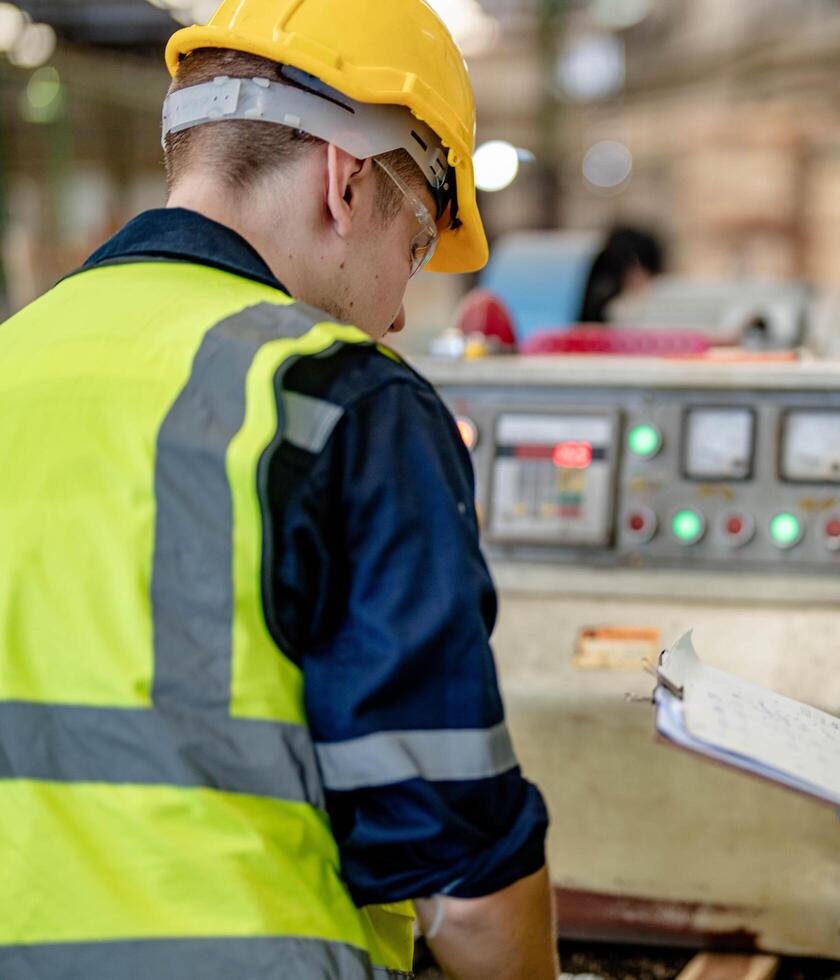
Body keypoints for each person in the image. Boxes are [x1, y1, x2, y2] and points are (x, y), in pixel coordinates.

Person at [0, 3, 556, 979]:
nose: (394, 309)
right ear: (346, 181)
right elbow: (460, 869)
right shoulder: (342, 399)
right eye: (419, 244)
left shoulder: (15, 359)